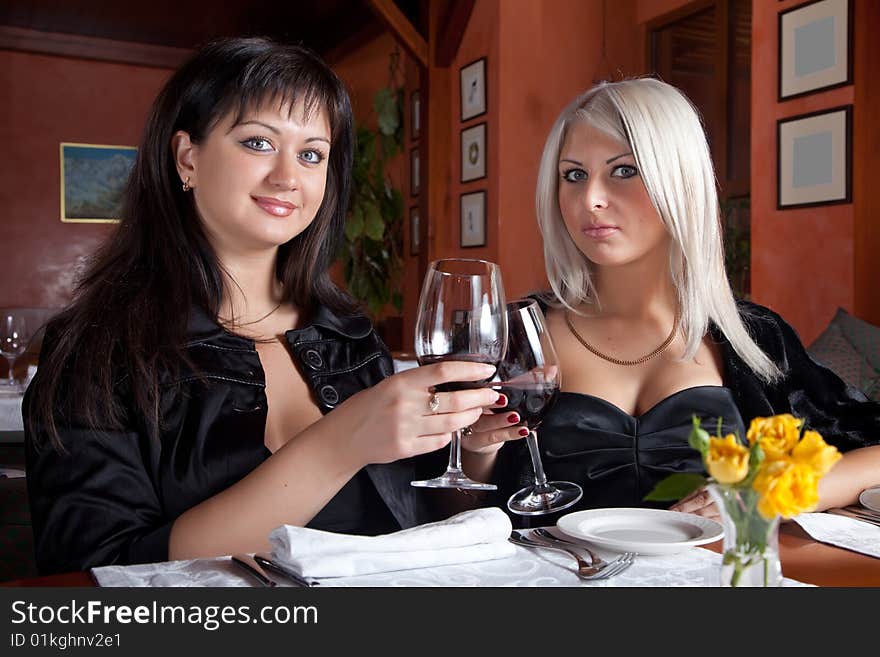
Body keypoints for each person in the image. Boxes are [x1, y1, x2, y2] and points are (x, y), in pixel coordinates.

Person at [24, 37, 501, 575]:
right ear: (188, 158)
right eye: (257, 143)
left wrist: (475, 452)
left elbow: (414, 530)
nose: (288, 177)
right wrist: (339, 444)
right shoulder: (99, 349)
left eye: (311, 154)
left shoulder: (351, 338)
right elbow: (94, 576)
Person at [458, 77, 880, 523]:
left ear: (679, 181)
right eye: (574, 175)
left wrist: (767, 491)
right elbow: (439, 516)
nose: (591, 199)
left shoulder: (753, 337)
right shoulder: (511, 335)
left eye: (624, 170)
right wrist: (474, 451)